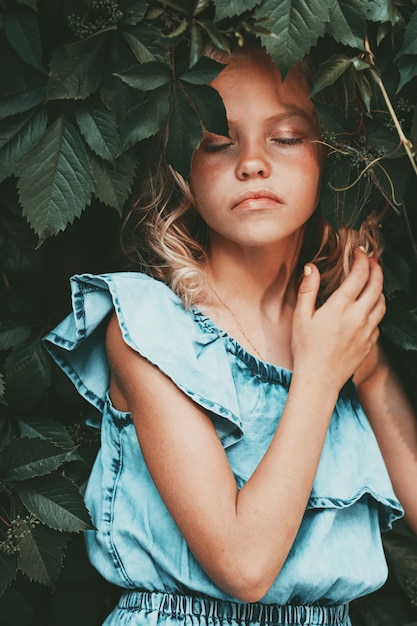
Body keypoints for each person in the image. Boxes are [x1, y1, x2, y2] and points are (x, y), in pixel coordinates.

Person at [44, 45, 417, 626]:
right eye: (218, 140)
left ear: (334, 153)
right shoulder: (148, 328)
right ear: (180, 164)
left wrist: (361, 362)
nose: (252, 163)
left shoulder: (335, 328)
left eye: (287, 137)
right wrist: (319, 377)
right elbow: (243, 566)